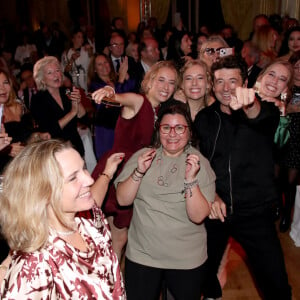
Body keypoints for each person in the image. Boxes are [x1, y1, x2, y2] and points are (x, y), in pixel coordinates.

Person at [194, 55, 292, 300]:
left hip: (255, 212)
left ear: (245, 82)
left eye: (233, 81)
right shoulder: (205, 118)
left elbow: (261, 118)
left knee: (276, 284)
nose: (226, 88)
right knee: (199, 271)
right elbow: (200, 161)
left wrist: (250, 105)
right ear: (212, 85)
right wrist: (211, 193)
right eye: (220, 82)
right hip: (216, 210)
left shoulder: (267, 110)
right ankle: (212, 294)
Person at [0, 139, 126, 298]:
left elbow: (95, 198)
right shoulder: (35, 265)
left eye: (84, 168)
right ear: (42, 193)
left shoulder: (89, 219)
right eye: (73, 178)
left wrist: (107, 174)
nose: (89, 180)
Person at [115, 103, 216, 300]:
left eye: (179, 128)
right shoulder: (142, 157)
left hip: (186, 260)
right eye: (166, 127)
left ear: (189, 131)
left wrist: (190, 180)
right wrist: (139, 171)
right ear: (158, 130)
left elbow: (198, 216)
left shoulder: (199, 163)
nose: (172, 134)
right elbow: (122, 200)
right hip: (143, 256)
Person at [91, 60, 179, 260]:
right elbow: (121, 99)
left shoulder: (162, 111)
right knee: (118, 237)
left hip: (139, 176)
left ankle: (112, 281)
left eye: (171, 82)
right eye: (161, 80)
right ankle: (111, 285)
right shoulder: (140, 101)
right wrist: (109, 92)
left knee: (119, 236)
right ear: (149, 81)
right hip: (120, 172)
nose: (166, 87)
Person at [30, 56, 86, 157]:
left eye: (57, 70)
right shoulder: (38, 99)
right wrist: (72, 112)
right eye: (50, 73)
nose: (56, 75)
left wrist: (77, 101)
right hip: (56, 151)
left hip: (76, 147)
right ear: (42, 79)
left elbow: (82, 116)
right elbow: (50, 131)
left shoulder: (66, 91)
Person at [88, 52, 136, 159]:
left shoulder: (115, 79)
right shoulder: (95, 85)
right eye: (100, 64)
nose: (104, 66)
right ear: (94, 69)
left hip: (122, 126)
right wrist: (121, 80)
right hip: (107, 130)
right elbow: (110, 103)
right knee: (109, 160)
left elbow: (132, 91)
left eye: (106, 62)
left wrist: (126, 76)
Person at [279, 51, 300, 232]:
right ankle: (279, 207)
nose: (299, 70)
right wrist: (288, 108)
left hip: (298, 141)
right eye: (296, 66)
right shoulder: (285, 88)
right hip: (283, 138)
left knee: (292, 181)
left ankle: (287, 214)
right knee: (279, 178)